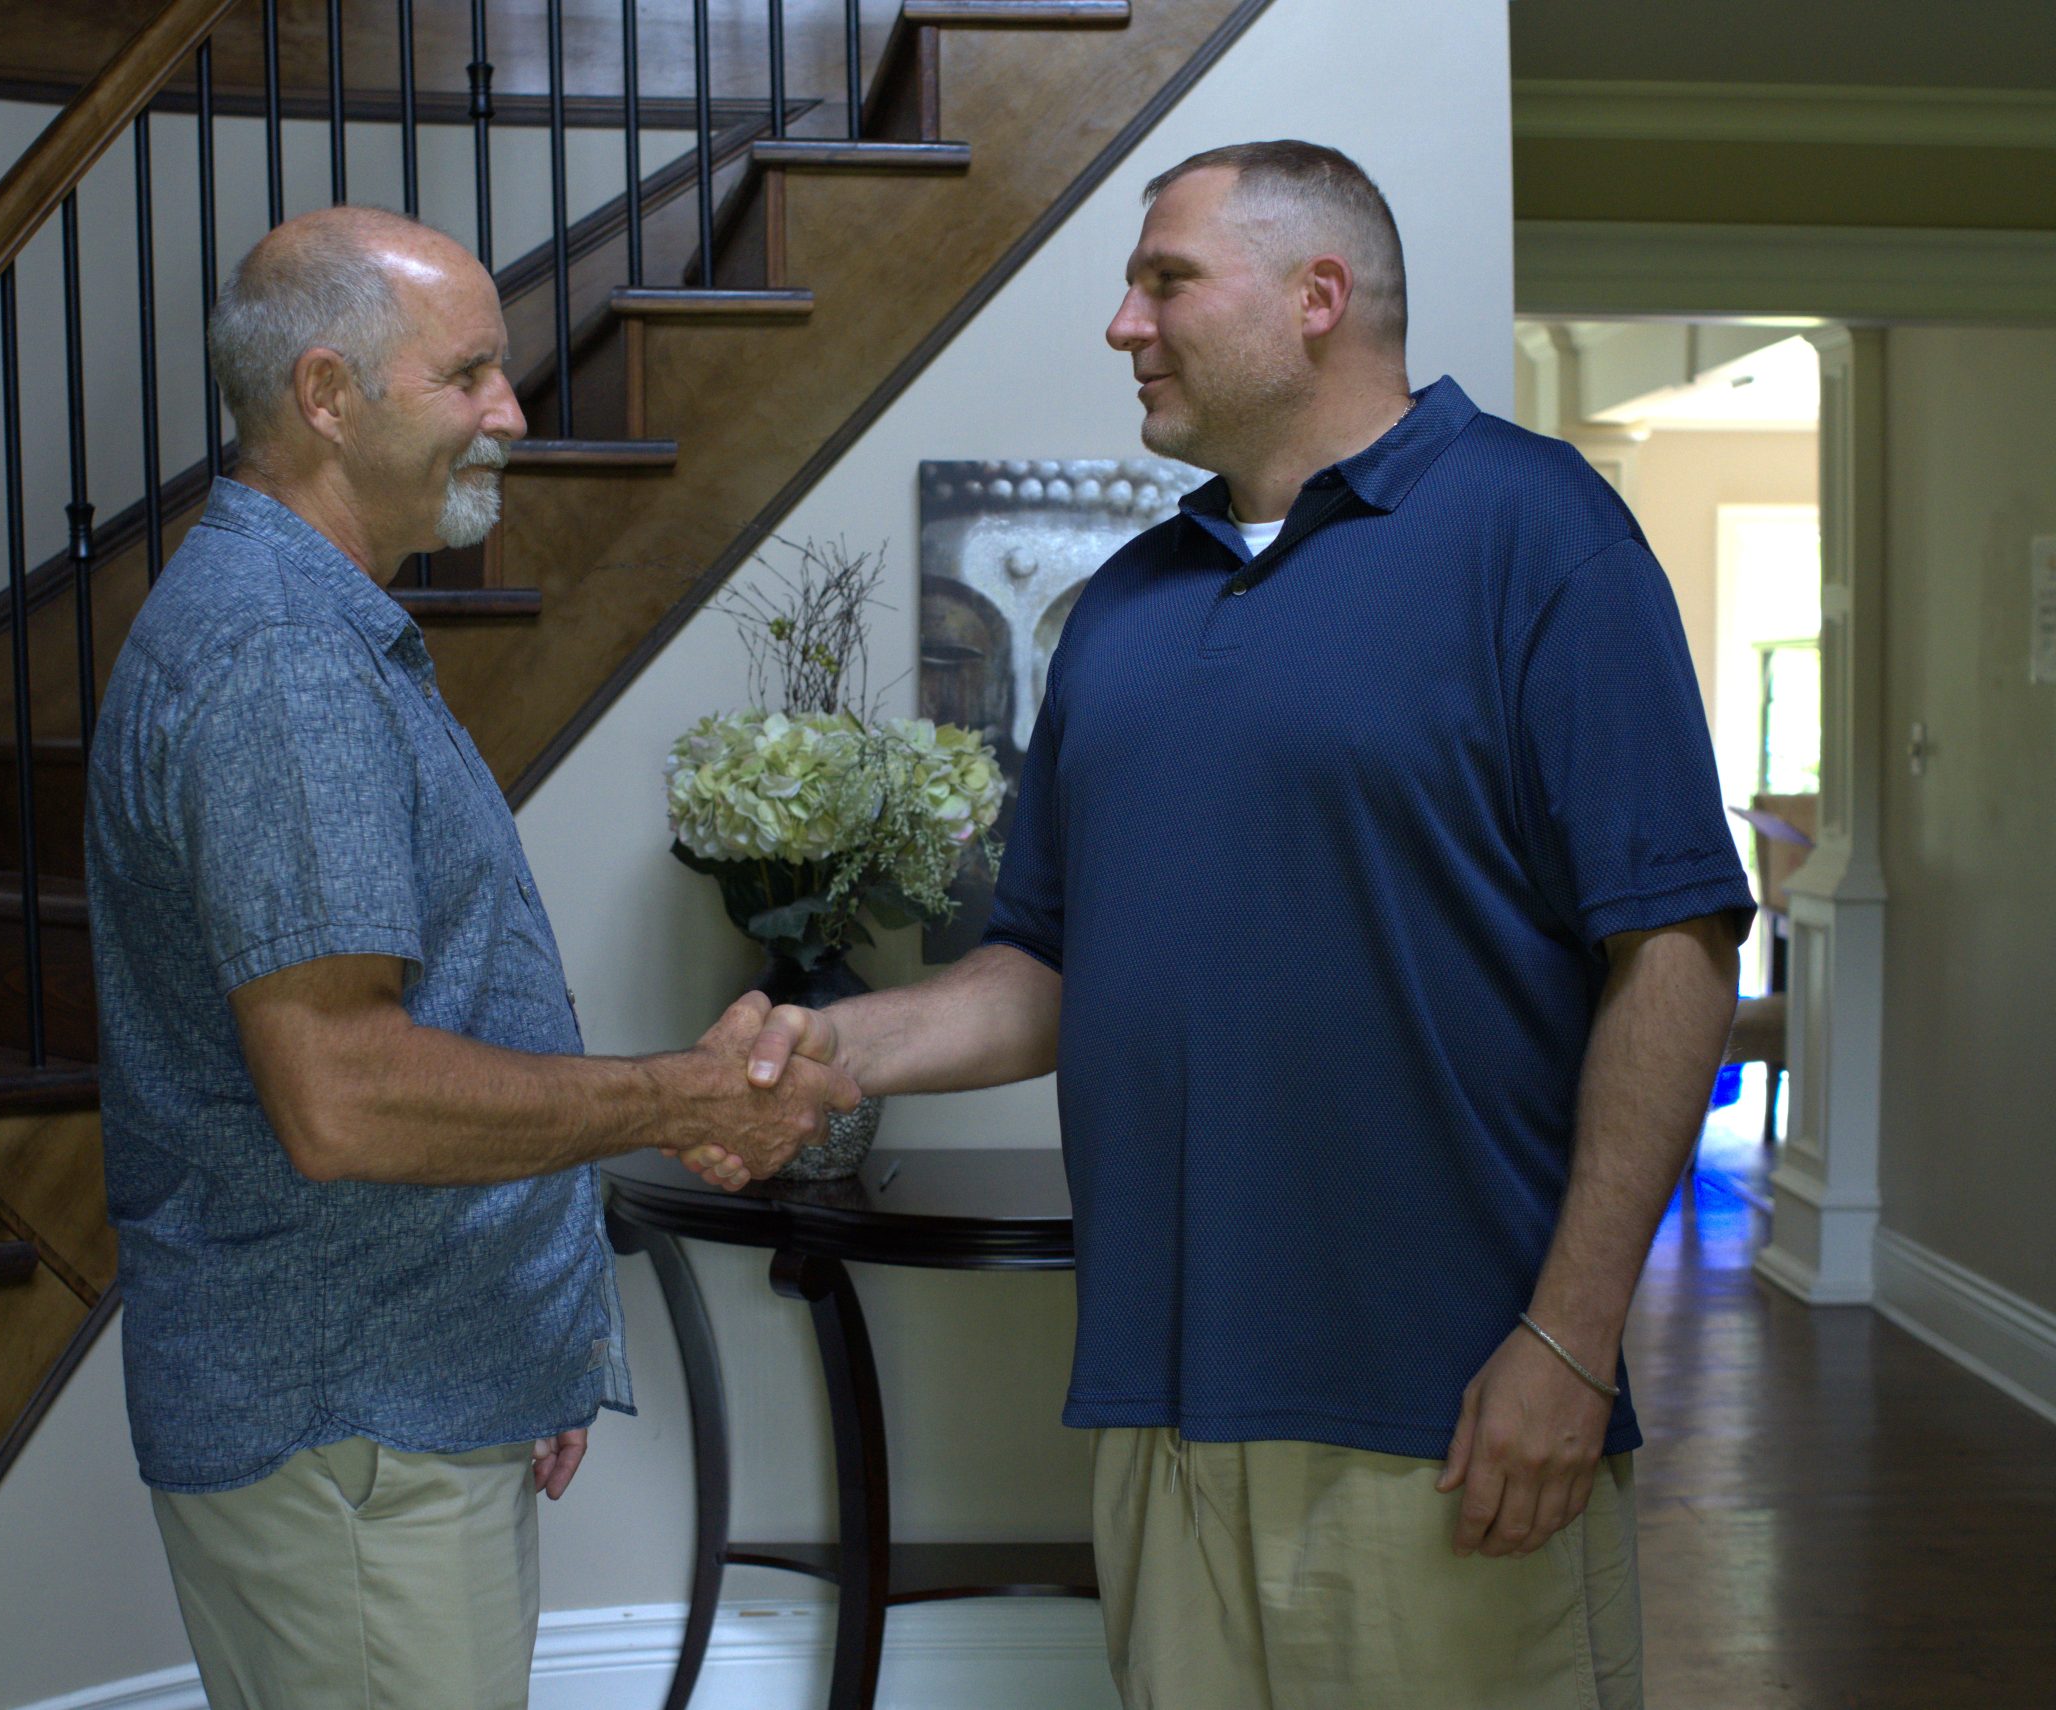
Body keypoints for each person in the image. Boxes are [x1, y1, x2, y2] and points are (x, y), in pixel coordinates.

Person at [736, 142, 1751, 1709]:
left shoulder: (1538, 531)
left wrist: (1568, 1341)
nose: (1123, 325)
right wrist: (832, 1048)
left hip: (1453, 1403)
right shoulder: (1126, 606)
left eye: (1164, 281)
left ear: (1316, 298)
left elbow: (1673, 950)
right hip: (1165, 1403)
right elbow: (1046, 970)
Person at [83, 204, 856, 1710]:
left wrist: (520, 1334)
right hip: (356, 1430)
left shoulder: (314, 623)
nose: (512, 409)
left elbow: (415, 1023)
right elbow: (349, 1094)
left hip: (409, 1401)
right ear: (325, 394)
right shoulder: (283, 660)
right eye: (471, 377)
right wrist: (674, 1093)